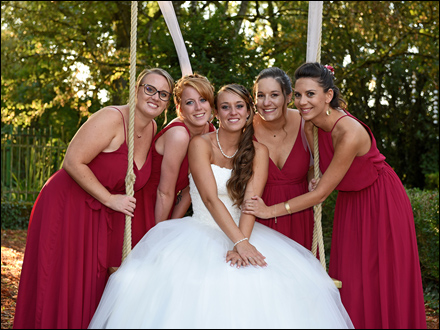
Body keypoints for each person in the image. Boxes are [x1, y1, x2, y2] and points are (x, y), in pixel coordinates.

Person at [88, 84, 353, 329]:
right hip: (201, 230)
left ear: (249, 113)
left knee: (271, 285)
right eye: (225, 106)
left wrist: (244, 241)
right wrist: (239, 242)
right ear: (217, 113)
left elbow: (251, 202)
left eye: (239, 106)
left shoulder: (259, 152)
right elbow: (210, 199)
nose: (232, 112)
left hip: (244, 229)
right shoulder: (199, 145)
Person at [242, 62, 427, 329]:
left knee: (382, 277)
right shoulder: (311, 126)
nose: (303, 102)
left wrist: (269, 211)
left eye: (311, 94)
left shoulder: (348, 131)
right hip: (350, 202)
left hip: (380, 201)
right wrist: (316, 177)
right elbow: (319, 172)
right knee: (351, 278)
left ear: (328, 95)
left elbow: (320, 195)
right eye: (298, 94)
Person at [13, 68, 175, 329]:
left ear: (168, 102)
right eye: (150, 89)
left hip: (100, 214)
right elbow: (72, 161)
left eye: (163, 94)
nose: (155, 97)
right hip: (68, 206)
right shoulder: (112, 118)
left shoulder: (153, 127)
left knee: (91, 286)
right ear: (137, 88)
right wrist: (110, 199)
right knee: (64, 283)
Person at [134, 73, 216, 237]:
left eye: (203, 100)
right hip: (145, 205)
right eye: (189, 102)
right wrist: (158, 235)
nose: (198, 107)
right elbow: (164, 192)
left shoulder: (210, 132)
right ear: (180, 108)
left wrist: (171, 227)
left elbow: (190, 190)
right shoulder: (179, 135)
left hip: (166, 206)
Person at [252, 67, 315, 249]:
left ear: (288, 97)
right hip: (259, 217)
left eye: (274, 95)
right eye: (260, 95)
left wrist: (313, 182)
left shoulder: (307, 124)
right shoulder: (245, 129)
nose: (266, 102)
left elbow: (312, 167)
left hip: (299, 214)